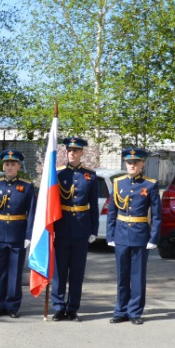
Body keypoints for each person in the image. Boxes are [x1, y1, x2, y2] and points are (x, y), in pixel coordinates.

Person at [107, 147, 161, 325]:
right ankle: (120, 310)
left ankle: (135, 312)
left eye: (135, 162)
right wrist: (110, 235)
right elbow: (112, 212)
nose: (132, 165)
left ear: (142, 164)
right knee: (122, 276)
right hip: (121, 234)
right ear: (125, 163)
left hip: (140, 234)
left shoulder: (150, 184)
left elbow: (156, 215)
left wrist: (153, 238)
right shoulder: (118, 183)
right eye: (129, 162)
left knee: (137, 276)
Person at [51, 137, 100, 321]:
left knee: (77, 271)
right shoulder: (58, 175)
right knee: (60, 271)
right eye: (69, 150)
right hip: (62, 227)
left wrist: (94, 230)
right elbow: (51, 204)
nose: (72, 153)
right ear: (66, 152)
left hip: (81, 228)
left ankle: (72, 308)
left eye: (76, 150)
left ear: (82, 153)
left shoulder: (90, 176)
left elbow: (93, 205)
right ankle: (58, 307)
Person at [0, 149, 37, 318]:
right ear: (3, 166)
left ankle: (12, 306)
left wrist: (29, 236)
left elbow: (32, 213)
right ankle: (0, 305)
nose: (9, 167)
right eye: (7, 164)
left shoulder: (27, 186)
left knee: (14, 273)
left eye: (13, 164)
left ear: (19, 166)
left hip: (18, 235)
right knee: (0, 272)